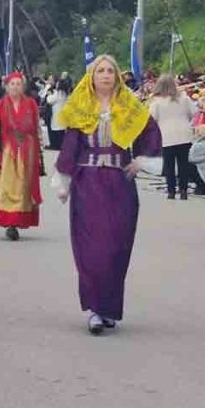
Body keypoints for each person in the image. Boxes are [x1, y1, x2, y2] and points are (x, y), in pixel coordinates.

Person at [53, 55, 162, 335]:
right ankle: (94, 309)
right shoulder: (80, 108)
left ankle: (109, 308)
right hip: (87, 184)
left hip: (119, 185)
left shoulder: (129, 106)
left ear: (116, 76)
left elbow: (150, 132)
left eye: (109, 71)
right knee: (92, 248)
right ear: (91, 77)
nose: (105, 75)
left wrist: (142, 161)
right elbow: (70, 148)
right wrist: (63, 182)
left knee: (116, 248)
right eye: (99, 71)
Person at [0, 72, 43, 241]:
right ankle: (10, 223)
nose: (15, 87)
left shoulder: (31, 105)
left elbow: (37, 131)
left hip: (27, 153)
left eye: (18, 84)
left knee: (23, 188)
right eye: (12, 84)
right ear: (6, 87)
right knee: (6, 186)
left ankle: (19, 220)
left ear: (23, 87)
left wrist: (40, 153)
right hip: (6, 153)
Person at [148, 74, 198, 200]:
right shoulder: (184, 98)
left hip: (166, 136)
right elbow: (195, 112)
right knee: (183, 164)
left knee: (169, 165)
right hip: (184, 134)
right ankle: (183, 190)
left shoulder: (157, 101)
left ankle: (171, 191)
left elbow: (152, 118)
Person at [46, 76, 71, 150]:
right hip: (63, 114)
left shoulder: (57, 93)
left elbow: (49, 100)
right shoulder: (66, 93)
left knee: (56, 130)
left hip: (56, 114)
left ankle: (56, 145)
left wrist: (49, 94)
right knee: (62, 131)